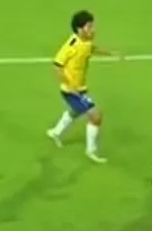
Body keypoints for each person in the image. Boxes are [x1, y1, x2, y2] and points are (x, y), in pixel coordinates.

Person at [45, 10, 120, 163]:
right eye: (89, 26)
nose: (93, 29)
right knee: (96, 116)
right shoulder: (71, 45)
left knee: (76, 111)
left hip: (81, 88)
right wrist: (69, 85)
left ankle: (55, 133)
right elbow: (57, 66)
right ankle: (91, 151)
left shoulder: (86, 42)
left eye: (92, 26)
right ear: (79, 29)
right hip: (71, 91)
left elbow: (92, 49)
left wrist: (110, 53)